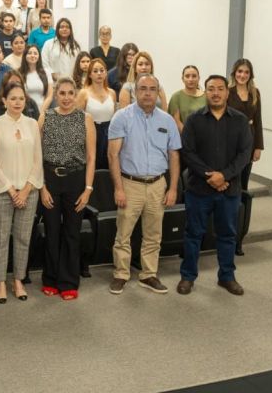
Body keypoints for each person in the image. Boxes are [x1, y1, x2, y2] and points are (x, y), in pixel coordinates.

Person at [178, 75, 252, 296]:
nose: (216, 93)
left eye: (220, 89)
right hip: (199, 189)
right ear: (206, 92)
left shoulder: (240, 120)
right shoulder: (194, 120)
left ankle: (226, 277)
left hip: (229, 189)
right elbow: (188, 152)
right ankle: (188, 276)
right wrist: (210, 176)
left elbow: (244, 153)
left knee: (227, 235)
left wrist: (224, 176)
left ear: (227, 92)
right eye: (211, 89)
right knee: (193, 234)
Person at [107, 74, 181, 295]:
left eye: (152, 89)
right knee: (123, 234)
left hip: (158, 184)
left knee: (153, 235)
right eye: (143, 88)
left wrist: (173, 188)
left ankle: (148, 274)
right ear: (135, 91)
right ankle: (121, 274)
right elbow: (112, 155)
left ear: (158, 92)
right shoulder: (121, 117)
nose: (147, 93)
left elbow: (174, 155)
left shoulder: (167, 121)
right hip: (130, 184)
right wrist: (118, 188)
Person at [38, 78, 95, 300]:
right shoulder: (46, 117)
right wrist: (42, 187)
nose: (67, 97)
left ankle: (69, 281)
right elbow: (36, 155)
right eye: (62, 93)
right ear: (56, 95)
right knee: (52, 232)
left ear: (76, 94)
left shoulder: (85, 118)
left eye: (71, 93)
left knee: (72, 232)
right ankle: (50, 279)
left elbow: (91, 157)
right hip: (50, 180)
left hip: (76, 180)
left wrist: (88, 189)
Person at [0, 82, 44, 303]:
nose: (17, 102)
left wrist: (26, 189)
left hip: (28, 192)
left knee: (23, 238)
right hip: (3, 192)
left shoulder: (32, 124)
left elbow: (37, 160)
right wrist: (11, 190)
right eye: (13, 98)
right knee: (1, 239)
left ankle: (18, 280)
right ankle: (0, 281)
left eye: (21, 98)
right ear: (4, 101)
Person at [227, 58, 263, 256]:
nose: (242, 75)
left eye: (246, 72)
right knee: (229, 189)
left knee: (242, 189)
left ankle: (238, 238)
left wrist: (258, 146)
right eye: (240, 71)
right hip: (231, 144)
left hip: (248, 144)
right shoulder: (227, 91)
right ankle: (225, 234)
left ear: (250, 75)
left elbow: (258, 120)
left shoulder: (255, 93)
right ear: (234, 73)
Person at [76, 58, 116, 171]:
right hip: (90, 133)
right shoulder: (84, 93)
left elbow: (114, 117)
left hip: (108, 134)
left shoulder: (112, 93)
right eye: (95, 71)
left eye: (102, 70)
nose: (99, 73)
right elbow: (76, 119)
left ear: (106, 73)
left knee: (108, 166)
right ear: (90, 75)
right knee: (92, 166)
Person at [168, 65, 207, 133]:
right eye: (187, 76)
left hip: (204, 134)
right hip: (183, 136)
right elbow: (176, 121)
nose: (190, 79)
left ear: (199, 78)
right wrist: (188, 135)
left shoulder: (206, 97)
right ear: (182, 79)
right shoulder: (176, 97)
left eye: (194, 76)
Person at [19, 44, 54, 113]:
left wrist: (41, 112)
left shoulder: (46, 72)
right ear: (25, 56)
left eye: (35, 53)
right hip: (24, 111)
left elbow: (49, 96)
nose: (32, 55)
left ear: (39, 57)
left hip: (42, 111)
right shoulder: (18, 73)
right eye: (29, 53)